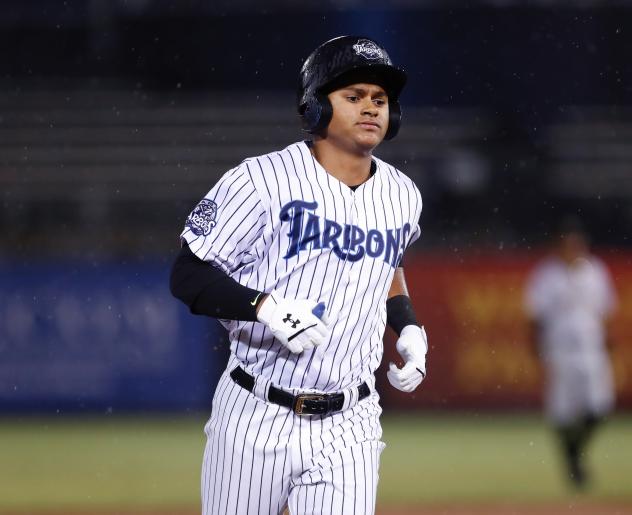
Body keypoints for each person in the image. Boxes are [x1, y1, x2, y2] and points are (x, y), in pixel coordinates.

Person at [170, 35, 428, 515]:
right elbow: (187, 273)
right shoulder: (259, 180)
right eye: (353, 97)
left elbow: (389, 266)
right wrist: (264, 306)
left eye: (380, 99)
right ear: (315, 108)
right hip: (255, 412)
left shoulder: (402, 195)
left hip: (351, 420)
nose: (371, 108)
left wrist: (408, 325)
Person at [524, 218, 617, 488]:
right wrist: (536, 348)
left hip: (591, 348)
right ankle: (572, 461)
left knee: (599, 408)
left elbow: (606, 311)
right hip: (560, 350)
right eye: (567, 244)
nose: (572, 249)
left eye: (576, 245)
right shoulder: (546, 274)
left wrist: (609, 342)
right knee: (561, 411)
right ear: (558, 246)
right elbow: (535, 315)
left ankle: (575, 452)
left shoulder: (595, 271)